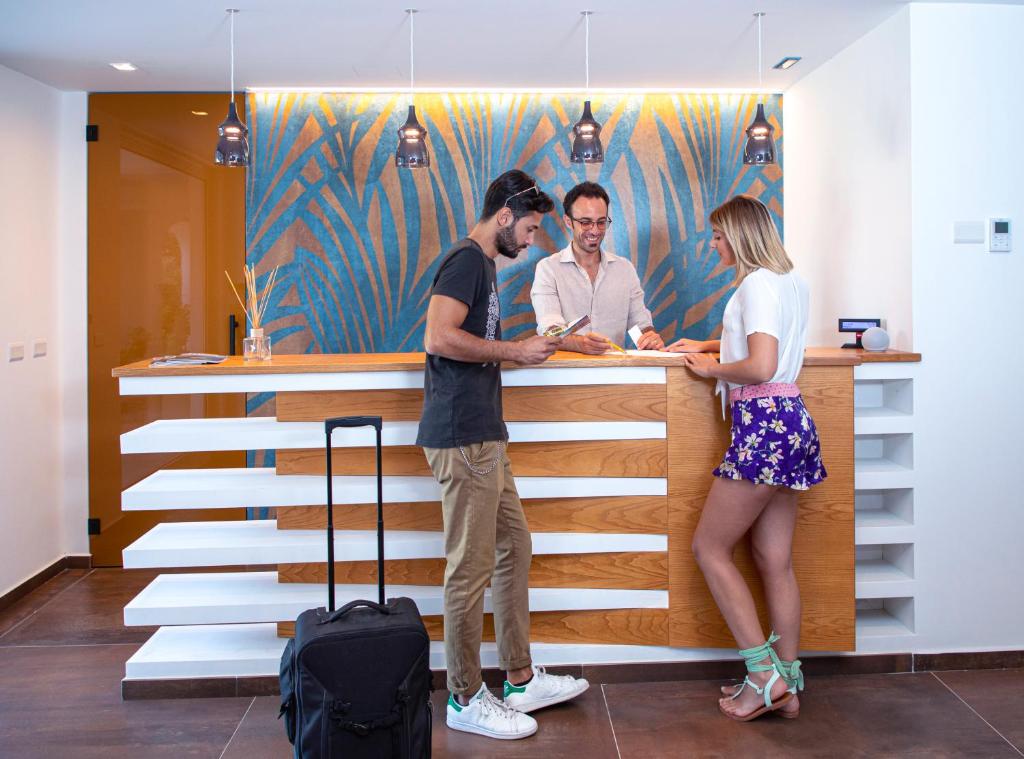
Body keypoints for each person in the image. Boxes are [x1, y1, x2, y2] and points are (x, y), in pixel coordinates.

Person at [416, 169, 590, 740]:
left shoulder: (483, 265)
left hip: (484, 436)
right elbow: (438, 337)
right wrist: (514, 351)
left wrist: (551, 344)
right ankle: (465, 697)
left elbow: (471, 341)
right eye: (531, 229)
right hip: (464, 436)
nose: (533, 240)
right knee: (469, 570)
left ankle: (519, 679)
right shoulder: (467, 260)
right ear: (505, 216)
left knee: (514, 545)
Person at [667, 195, 825, 721]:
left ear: (737, 235)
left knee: (709, 548)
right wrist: (709, 343)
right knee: (774, 560)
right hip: (793, 420)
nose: (714, 244)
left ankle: (762, 678)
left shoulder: (755, 284)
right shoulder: (792, 281)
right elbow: (768, 345)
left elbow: (760, 365)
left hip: (763, 426)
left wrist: (710, 368)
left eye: (718, 235)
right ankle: (789, 682)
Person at [530, 181, 665, 354]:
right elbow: (549, 330)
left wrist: (648, 338)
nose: (595, 231)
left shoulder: (624, 269)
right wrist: (580, 344)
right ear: (569, 222)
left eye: (601, 222)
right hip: (565, 369)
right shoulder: (548, 269)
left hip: (614, 368)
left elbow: (636, 327)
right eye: (586, 222)